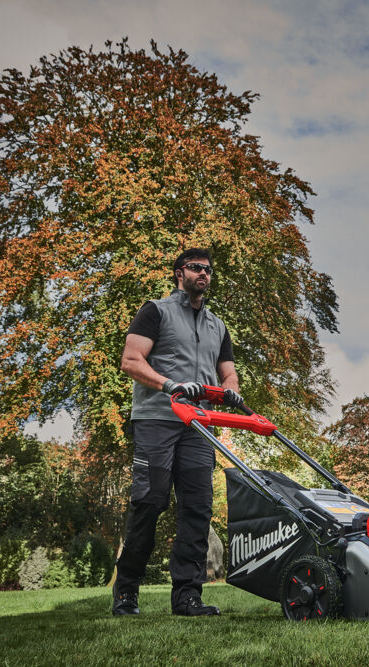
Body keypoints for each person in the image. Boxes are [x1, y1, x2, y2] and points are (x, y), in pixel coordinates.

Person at [113, 248, 243, 617]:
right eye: (195, 268)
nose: (203, 273)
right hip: (157, 418)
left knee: (198, 508)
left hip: (199, 425)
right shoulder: (156, 311)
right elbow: (131, 360)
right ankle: (126, 593)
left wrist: (230, 389)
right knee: (149, 502)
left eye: (208, 270)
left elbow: (228, 372)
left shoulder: (218, 325)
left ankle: (188, 597)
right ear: (178, 273)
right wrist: (169, 384)